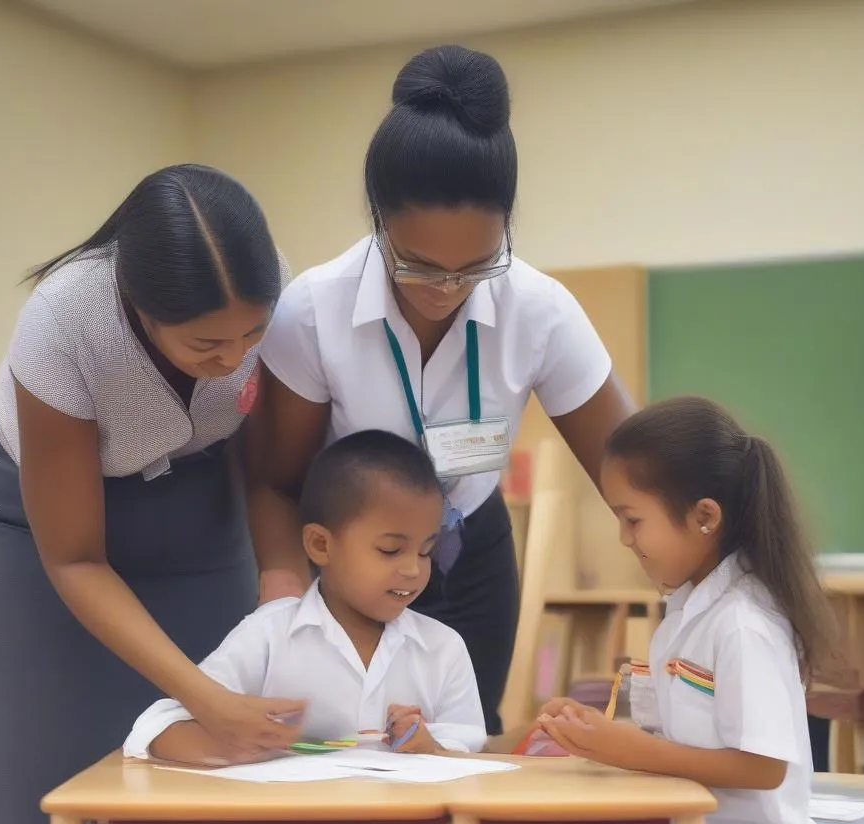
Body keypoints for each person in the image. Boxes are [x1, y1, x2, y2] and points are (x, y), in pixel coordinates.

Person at [0, 164, 294, 824]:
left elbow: (266, 467)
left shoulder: (251, 292)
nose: (234, 358)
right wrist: (204, 692)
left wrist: (279, 596)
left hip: (192, 503)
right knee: (13, 785)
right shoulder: (65, 321)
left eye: (251, 335)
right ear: (139, 305)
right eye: (206, 344)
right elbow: (76, 559)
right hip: (32, 526)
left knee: (170, 768)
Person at [248, 44, 634, 735]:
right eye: (421, 266)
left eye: (477, 266)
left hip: (469, 553)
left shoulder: (539, 310)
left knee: (459, 749)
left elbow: (639, 476)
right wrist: (283, 608)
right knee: (346, 752)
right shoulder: (312, 312)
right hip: (349, 563)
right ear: (378, 221)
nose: (447, 291)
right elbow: (275, 482)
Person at [125, 430, 505, 824]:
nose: (413, 570)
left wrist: (433, 744)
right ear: (320, 544)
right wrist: (226, 741)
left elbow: (472, 741)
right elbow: (161, 722)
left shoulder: (441, 647)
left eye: (427, 550)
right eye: (390, 549)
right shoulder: (270, 633)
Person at [491, 396, 835, 824]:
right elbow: (677, 738)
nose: (624, 538)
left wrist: (623, 749)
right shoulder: (687, 608)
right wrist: (601, 736)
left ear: (705, 517)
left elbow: (763, 768)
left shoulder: (743, 622)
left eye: (632, 519)